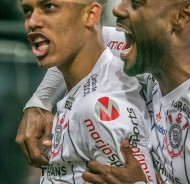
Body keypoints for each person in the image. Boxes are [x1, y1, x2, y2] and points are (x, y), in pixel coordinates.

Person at [16, 0, 190, 183]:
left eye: (136, 2)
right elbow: (77, 42)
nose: (118, 9)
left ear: (182, 16)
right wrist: (39, 103)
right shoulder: (144, 49)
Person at [16, 0, 157, 183]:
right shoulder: (83, 81)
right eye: (27, 11)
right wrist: (39, 101)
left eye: (49, 7)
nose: (32, 22)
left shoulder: (98, 108)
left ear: (91, 15)